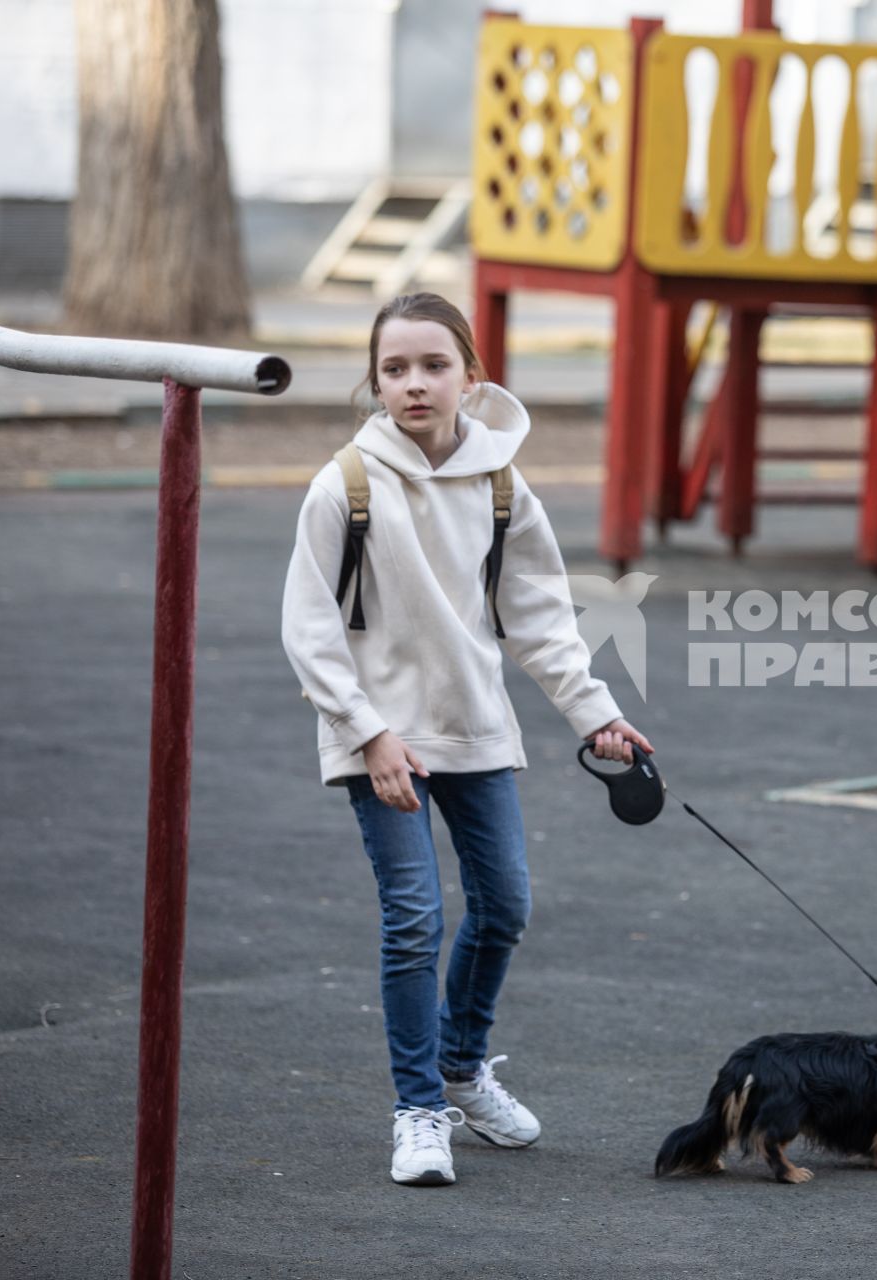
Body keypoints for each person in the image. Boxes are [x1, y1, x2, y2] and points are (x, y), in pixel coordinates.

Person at [281, 292, 653, 1187]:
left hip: (475, 727)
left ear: (472, 378)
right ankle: (419, 1109)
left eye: (434, 365)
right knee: (414, 919)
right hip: (383, 741)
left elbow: (538, 617)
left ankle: (461, 1064)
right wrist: (368, 733)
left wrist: (595, 713)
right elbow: (308, 627)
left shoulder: (500, 484)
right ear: (374, 381)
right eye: (395, 368)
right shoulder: (346, 484)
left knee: (506, 906)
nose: (414, 383)